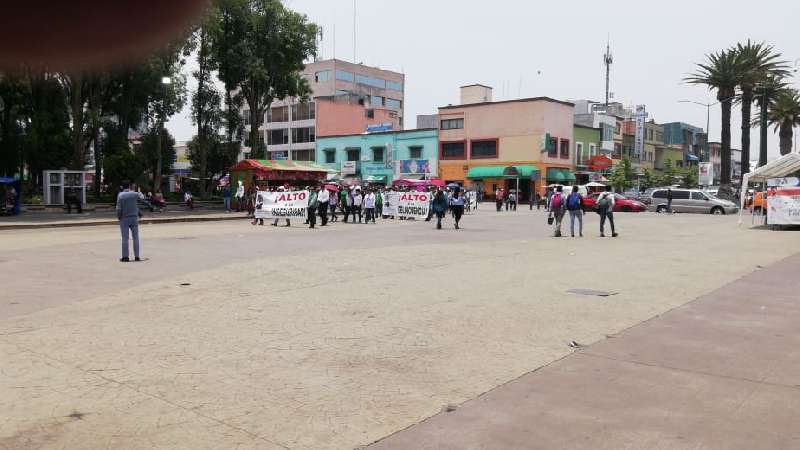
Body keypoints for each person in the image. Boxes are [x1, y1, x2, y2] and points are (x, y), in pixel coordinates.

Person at [116, 181, 141, 262]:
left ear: (122, 187)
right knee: (136, 238)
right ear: (129, 186)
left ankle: (125, 257)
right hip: (134, 218)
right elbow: (142, 197)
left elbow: (119, 209)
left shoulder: (120, 195)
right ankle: (137, 256)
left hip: (124, 218)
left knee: (125, 238)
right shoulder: (134, 194)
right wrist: (136, 190)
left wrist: (119, 217)